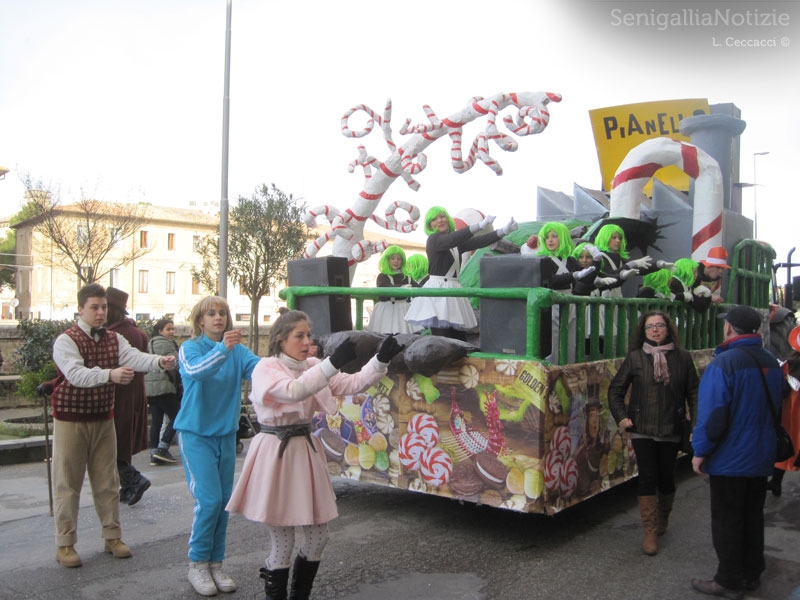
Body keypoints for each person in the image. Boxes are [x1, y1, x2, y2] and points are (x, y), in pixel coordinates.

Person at [226, 310, 405, 600]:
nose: (307, 341)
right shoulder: (266, 368)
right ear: (281, 340)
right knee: (283, 541)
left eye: (308, 335)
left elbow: (352, 384)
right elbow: (294, 391)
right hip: (275, 453)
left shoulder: (311, 365)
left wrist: (380, 359)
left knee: (319, 537)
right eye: (299, 336)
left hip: (304, 451)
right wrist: (331, 363)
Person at [50, 283, 176, 568]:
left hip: (103, 417)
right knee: (68, 483)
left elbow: (134, 357)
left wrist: (159, 361)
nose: (100, 313)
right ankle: (65, 543)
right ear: (80, 309)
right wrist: (110, 375)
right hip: (71, 419)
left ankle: (112, 537)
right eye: (94, 307)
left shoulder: (114, 338)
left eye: (103, 307)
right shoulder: (66, 340)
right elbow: (75, 374)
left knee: (108, 482)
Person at [690, 305, 784, 599]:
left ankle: (728, 580)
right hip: (761, 454)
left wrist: (700, 451)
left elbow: (713, 414)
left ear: (729, 327)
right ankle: (751, 574)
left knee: (727, 519)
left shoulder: (724, 363)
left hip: (730, 458)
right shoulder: (770, 361)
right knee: (752, 516)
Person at [175, 296, 262, 596]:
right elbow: (197, 371)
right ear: (200, 320)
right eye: (211, 313)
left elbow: (262, 371)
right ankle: (197, 563)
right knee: (209, 501)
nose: (218, 317)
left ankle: (216, 563)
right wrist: (223, 349)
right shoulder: (189, 348)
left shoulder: (238, 350)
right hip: (195, 434)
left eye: (222, 313)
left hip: (225, 435)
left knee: (224, 503)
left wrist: (294, 362)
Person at [608, 310, 699, 556]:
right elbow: (615, 391)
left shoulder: (682, 357)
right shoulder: (635, 357)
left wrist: (695, 424)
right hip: (642, 428)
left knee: (666, 477)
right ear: (643, 331)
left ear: (668, 329)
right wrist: (622, 416)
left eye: (659, 325)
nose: (655, 330)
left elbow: (694, 393)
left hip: (671, 426)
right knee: (647, 476)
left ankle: (663, 517)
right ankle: (649, 531)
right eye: (650, 327)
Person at [405, 206, 518, 340]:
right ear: (430, 225)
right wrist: (479, 226)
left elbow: (478, 241)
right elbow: (452, 239)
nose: (439, 220)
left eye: (442, 216)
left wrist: (503, 231)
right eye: (434, 219)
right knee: (443, 340)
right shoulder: (434, 239)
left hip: (453, 291)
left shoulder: (455, 243)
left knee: (459, 338)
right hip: (438, 292)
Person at [105, 287, 151, 505]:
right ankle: (127, 486)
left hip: (119, 392)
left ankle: (133, 479)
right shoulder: (138, 332)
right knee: (123, 440)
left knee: (111, 442)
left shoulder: (115, 335)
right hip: (136, 392)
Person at [536, 222, 596, 362]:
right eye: (547, 237)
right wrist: (573, 275)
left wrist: (597, 271)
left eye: (554, 236)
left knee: (571, 337)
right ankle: (553, 367)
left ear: (563, 237)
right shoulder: (542, 260)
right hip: (552, 304)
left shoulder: (570, 260)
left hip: (570, 301)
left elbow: (584, 280)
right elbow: (551, 281)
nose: (550, 240)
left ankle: (569, 366)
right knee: (553, 338)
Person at [144, 318, 181, 465]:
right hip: (164, 387)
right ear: (160, 331)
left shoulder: (150, 343)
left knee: (156, 421)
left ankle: (154, 454)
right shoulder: (167, 344)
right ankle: (163, 447)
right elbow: (177, 364)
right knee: (179, 416)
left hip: (151, 388)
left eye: (173, 329)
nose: (172, 332)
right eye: (168, 329)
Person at [366, 245, 420, 334]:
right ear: (387, 260)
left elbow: (419, 289)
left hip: (404, 310)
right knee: (385, 335)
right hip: (387, 310)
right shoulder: (383, 276)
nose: (396, 261)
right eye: (392, 258)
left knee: (406, 336)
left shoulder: (407, 277)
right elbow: (385, 288)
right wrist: (401, 288)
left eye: (399, 259)